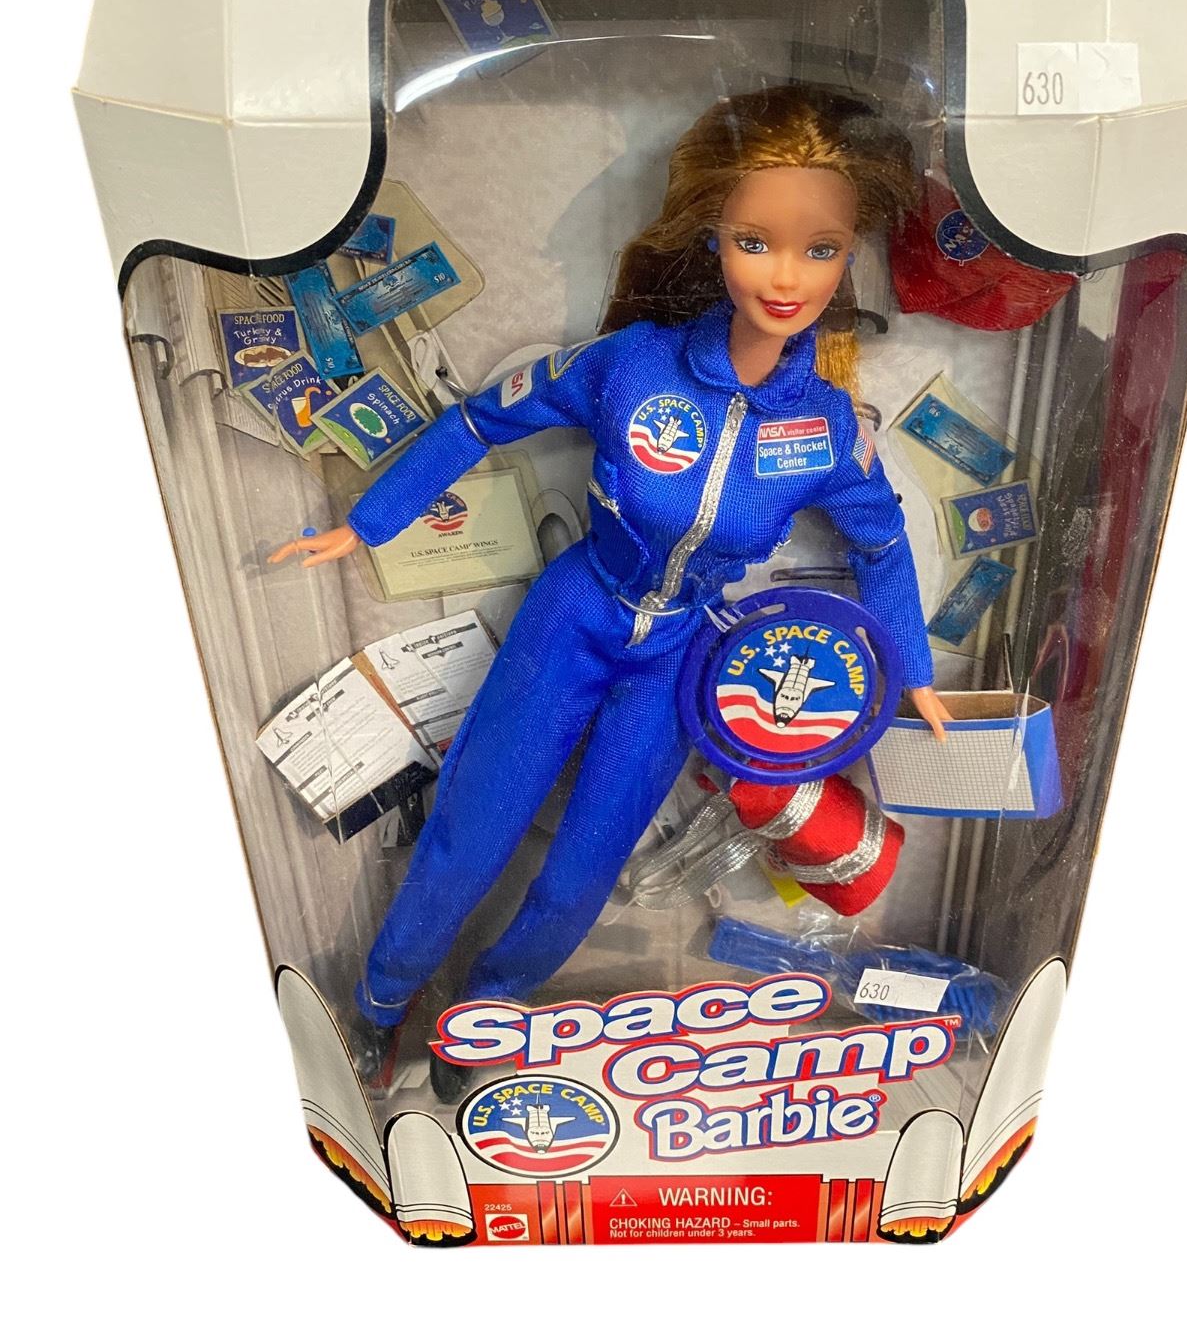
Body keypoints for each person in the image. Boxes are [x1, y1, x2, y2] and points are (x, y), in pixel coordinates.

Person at [270, 85, 949, 1081]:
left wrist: (912, 671)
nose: (786, 275)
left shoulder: (827, 429)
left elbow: (882, 542)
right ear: (713, 236)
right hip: (577, 611)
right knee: (470, 833)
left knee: (581, 878)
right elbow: (482, 420)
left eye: (821, 248)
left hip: (680, 653)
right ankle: (379, 1002)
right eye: (755, 241)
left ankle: (485, 1018)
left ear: (850, 256)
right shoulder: (631, 366)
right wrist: (368, 522)